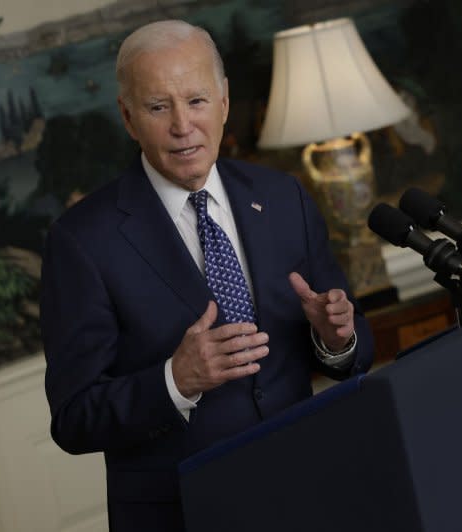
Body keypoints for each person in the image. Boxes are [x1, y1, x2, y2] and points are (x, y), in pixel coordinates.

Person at [40, 19, 374, 531]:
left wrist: (336, 339)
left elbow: (352, 351)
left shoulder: (283, 198)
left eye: (196, 101)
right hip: (184, 514)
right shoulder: (82, 241)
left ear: (222, 101)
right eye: (158, 107)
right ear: (128, 118)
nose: (182, 125)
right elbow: (74, 419)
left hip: (307, 493)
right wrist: (175, 381)